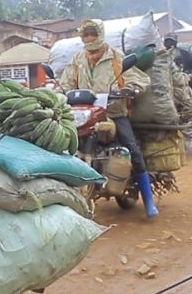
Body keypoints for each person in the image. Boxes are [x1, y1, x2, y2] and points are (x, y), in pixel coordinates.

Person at [59, 19, 159, 217]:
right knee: (63, 144)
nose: (89, 38)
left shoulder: (115, 57)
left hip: (114, 112)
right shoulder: (78, 59)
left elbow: (139, 79)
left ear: (100, 34)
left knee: (133, 150)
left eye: (92, 34)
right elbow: (66, 82)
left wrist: (131, 88)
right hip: (84, 114)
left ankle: (149, 201)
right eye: (86, 34)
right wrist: (59, 92)